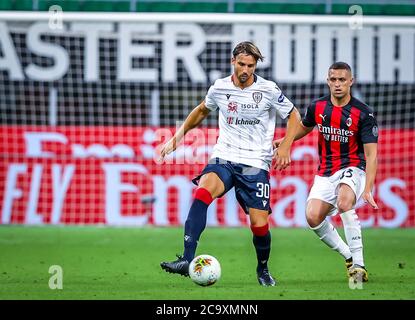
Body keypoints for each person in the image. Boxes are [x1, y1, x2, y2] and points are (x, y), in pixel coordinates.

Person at [159, 41, 301, 286]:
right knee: (202, 193)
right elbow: (202, 110)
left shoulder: (268, 89)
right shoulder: (220, 87)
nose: (246, 70)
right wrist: (176, 138)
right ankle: (186, 259)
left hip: (255, 163)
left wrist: (287, 145)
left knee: (259, 225)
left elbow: (294, 115)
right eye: (242, 64)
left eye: (251, 66)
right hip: (224, 156)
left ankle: (263, 269)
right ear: (232, 61)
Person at [274, 61, 378, 283]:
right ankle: (348, 256)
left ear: (351, 81)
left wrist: (368, 188)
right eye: (333, 79)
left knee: (344, 201)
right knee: (312, 217)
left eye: (342, 80)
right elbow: (305, 126)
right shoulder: (317, 107)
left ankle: (359, 265)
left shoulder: (364, 114)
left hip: (353, 167)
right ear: (327, 81)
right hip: (326, 171)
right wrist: (285, 141)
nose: (338, 84)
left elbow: (371, 155)